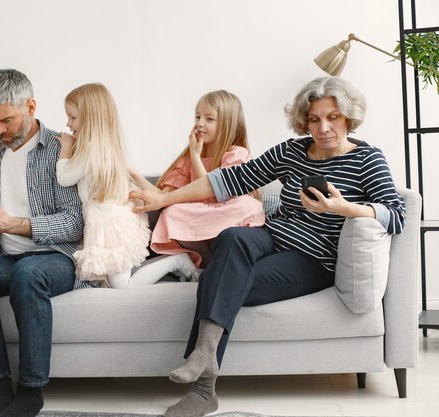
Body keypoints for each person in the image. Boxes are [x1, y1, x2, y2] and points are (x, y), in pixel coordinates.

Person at [130, 76, 406, 417]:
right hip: (272, 236)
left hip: (313, 258)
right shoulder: (292, 151)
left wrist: (343, 208)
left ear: (348, 117)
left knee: (221, 275)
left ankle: (203, 387)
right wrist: (165, 196)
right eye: (315, 119)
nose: (323, 128)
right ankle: (204, 358)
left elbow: (396, 214)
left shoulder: (367, 159)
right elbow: (230, 179)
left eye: (332, 117)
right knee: (231, 237)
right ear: (304, 120)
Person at [0, 69, 84, 417]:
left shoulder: (61, 148)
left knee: (28, 271)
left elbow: (74, 223)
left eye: (6, 120)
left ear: (31, 106)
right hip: (6, 258)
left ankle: (30, 391)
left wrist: (14, 224)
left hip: (56, 258)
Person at [56, 82, 200, 289]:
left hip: (109, 223)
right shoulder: (106, 148)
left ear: (90, 118)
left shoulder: (88, 152)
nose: (68, 124)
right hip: (112, 218)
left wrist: (66, 149)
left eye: (73, 117)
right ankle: (177, 263)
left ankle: (177, 261)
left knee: (122, 286)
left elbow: (64, 177)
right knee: (115, 281)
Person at [130, 90, 265, 267]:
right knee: (172, 212)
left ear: (227, 124)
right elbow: (163, 197)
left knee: (247, 205)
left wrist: (195, 156)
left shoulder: (237, 154)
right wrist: (133, 174)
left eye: (209, 119)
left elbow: (214, 191)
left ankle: (222, 262)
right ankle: (206, 263)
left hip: (228, 215)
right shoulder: (187, 160)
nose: (200, 124)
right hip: (203, 218)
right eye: (197, 117)